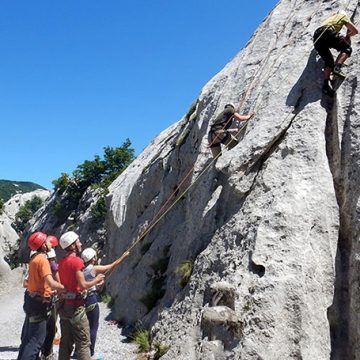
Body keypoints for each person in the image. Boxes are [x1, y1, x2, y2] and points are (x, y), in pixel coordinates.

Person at [58, 231, 105, 360]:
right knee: (83, 343)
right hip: (76, 306)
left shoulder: (62, 262)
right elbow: (83, 285)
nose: (80, 243)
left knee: (65, 342)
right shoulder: (77, 261)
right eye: (78, 241)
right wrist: (97, 280)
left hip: (65, 307)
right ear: (73, 246)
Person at [18, 232, 65, 360]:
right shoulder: (43, 259)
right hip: (39, 303)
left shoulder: (34, 258)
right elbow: (50, 281)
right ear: (43, 245)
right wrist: (63, 288)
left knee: (28, 339)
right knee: (36, 341)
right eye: (47, 241)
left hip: (31, 300)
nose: (50, 243)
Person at [81, 248, 130, 359]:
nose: (95, 257)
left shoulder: (81, 269)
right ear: (92, 257)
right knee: (93, 326)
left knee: (86, 326)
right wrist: (123, 256)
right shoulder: (93, 268)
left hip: (83, 300)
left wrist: (97, 284)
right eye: (94, 256)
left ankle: (82, 349)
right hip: (91, 299)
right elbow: (112, 265)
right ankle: (90, 351)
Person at [313, 11, 358, 95]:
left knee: (329, 62)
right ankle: (337, 68)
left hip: (316, 37)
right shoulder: (342, 16)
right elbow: (355, 31)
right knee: (347, 49)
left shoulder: (330, 18)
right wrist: (348, 36)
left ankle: (326, 86)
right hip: (328, 32)